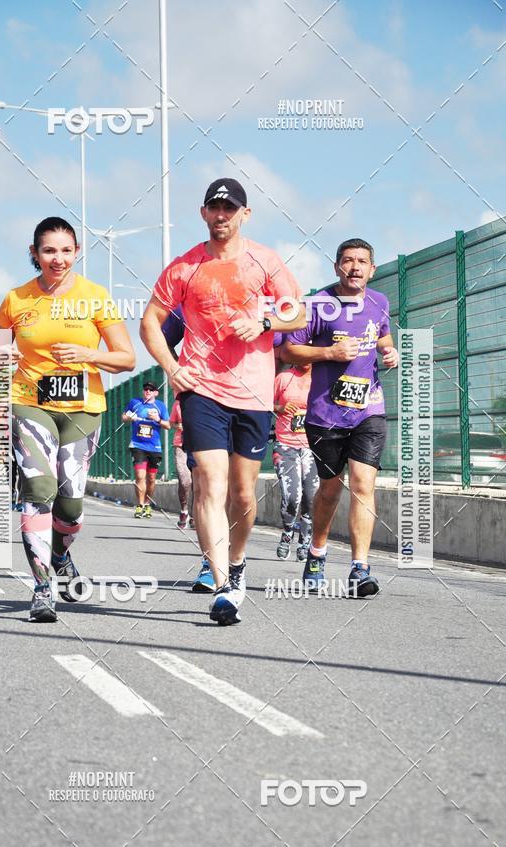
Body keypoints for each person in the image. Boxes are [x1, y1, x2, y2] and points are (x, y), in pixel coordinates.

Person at [140, 177, 306, 625]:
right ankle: (224, 585)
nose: (221, 216)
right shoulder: (185, 267)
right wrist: (174, 369)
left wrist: (268, 321)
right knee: (210, 485)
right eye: (214, 208)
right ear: (203, 213)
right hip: (202, 391)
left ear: (244, 215)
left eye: (229, 209)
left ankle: (237, 562)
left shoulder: (264, 261)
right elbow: (150, 324)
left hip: (252, 392)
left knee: (243, 494)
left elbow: (300, 310)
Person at [0, 216, 135, 622]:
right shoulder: (15, 299)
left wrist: (90, 356)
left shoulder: (95, 297)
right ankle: (42, 588)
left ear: (77, 252)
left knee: (70, 504)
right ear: (34, 254)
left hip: (83, 408)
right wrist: (4, 356)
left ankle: (60, 553)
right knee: (39, 488)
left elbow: (126, 359)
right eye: (49, 251)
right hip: (29, 402)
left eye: (66, 250)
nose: (58, 259)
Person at [282, 238, 399, 597]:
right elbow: (288, 349)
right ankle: (316, 552)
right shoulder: (317, 305)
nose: (355, 267)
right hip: (325, 414)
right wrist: (330, 352)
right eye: (348, 261)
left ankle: (359, 568)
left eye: (362, 261)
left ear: (372, 269)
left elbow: (382, 335)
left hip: (368, 410)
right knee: (330, 490)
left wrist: (389, 350)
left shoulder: (379, 301)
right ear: (336, 267)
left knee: (364, 484)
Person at [272, 363, 318, 560]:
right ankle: (288, 531)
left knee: (311, 497)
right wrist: (279, 407)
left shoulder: (322, 376)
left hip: (313, 447)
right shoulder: (283, 378)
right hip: (286, 445)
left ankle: (305, 539)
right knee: (292, 497)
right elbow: (262, 402)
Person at [121, 381, 170, 518]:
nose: (147, 391)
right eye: (145, 389)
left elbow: (168, 425)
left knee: (151, 478)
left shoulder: (160, 406)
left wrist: (157, 419)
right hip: (138, 446)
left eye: (151, 389)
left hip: (154, 447)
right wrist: (129, 418)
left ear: (156, 392)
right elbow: (124, 417)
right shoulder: (134, 403)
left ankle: (148, 504)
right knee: (140, 476)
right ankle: (140, 505)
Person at [169, 397, 193, 528]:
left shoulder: (204, 401)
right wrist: (178, 425)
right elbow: (171, 422)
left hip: (199, 444)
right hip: (180, 444)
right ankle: (184, 510)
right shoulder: (178, 403)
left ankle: (195, 515)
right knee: (185, 481)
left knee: (198, 481)